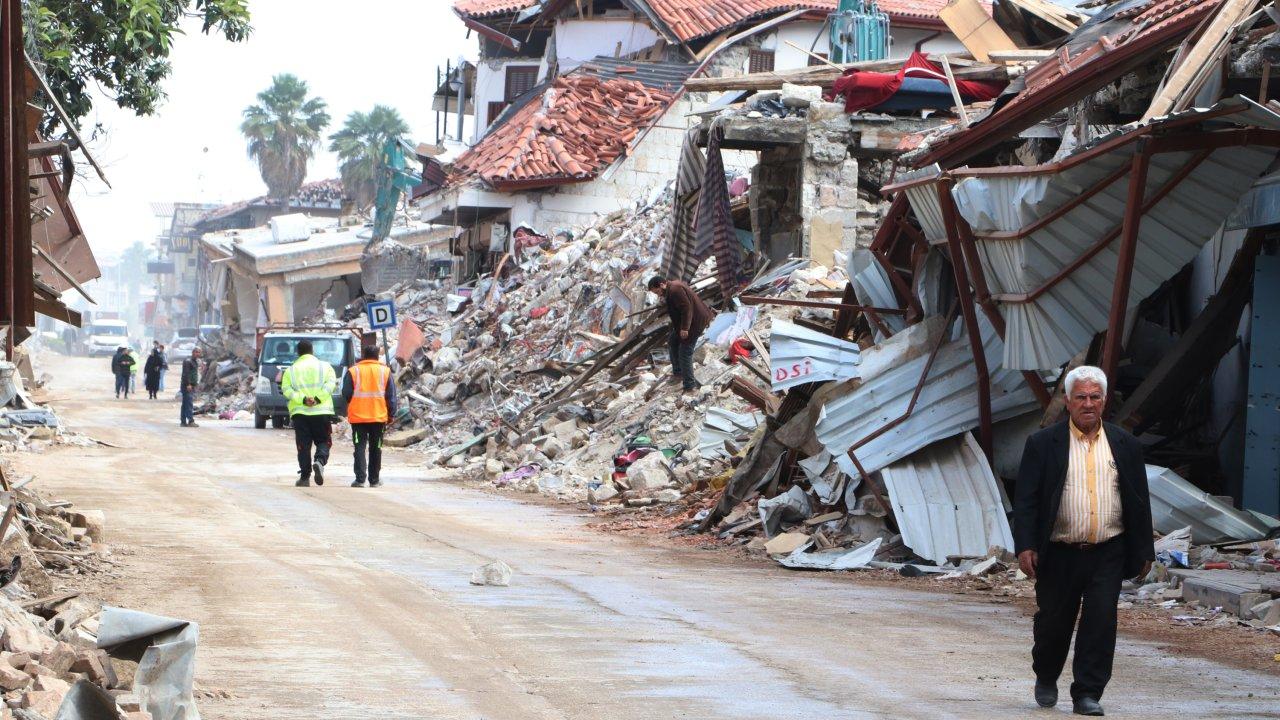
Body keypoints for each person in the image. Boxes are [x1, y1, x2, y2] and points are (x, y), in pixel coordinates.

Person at [1013, 365, 1154, 717]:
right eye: (1081, 397)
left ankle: (1087, 693)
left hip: (1108, 550)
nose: (1088, 403)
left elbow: (1139, 500)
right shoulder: (1043, 444)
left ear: (1104, 401)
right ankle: (1046, 674)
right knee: (1053, 624)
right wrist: (1025, 546)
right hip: (1059, 552)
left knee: (1101, 621)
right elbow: (1027, 500)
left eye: (1094, 397)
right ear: (1068, 401)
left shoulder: (1126, 445)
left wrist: (1144, 551)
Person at [281, 339, 337, 487]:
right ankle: (319, 461)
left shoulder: (291, 370)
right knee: (323, 441)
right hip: (322, 412)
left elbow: (286, 390)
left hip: (300, 413)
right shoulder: (325, 367)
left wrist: (303, 400)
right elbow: (331, 385)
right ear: (312, 351)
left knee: (303, 445)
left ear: (298, 353)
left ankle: (305, 477)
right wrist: (317, 399)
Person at [341, 345, 398, 488]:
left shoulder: (353, 371)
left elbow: (346, 393)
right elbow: (391, 396)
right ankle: (374, 480)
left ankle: (360, 479)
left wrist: (355, 403)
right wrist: (391, 414)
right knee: (376, 448)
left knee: (359, 447)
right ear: (378, 356)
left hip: (358, 418)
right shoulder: (385, 371)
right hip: (378, 418)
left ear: (363, 355)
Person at [647, 275, 712, 392]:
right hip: (686, 323)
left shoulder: (675, 290)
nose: (658, 294)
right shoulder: (671, 289)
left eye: (658, 292)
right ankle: (678, 373)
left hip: (694, 322)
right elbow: (672, 301)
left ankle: (689, 386)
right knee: (672, 341)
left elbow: (687, 309)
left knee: (685, 353)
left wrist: (685, 328)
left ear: (662, 284)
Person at [180, 348, 201, 428]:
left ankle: (183, 421)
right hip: (187, 386)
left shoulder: (194, 361)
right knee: (189, 403)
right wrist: (188, 384)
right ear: (193, 352)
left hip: (191, 385)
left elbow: (194, 374)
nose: (198, 354)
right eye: (196, 352)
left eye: (199, 352)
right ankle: (191, 421)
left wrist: (195, 384)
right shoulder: (188, 361)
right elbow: (186, 373)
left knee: (185, 403)